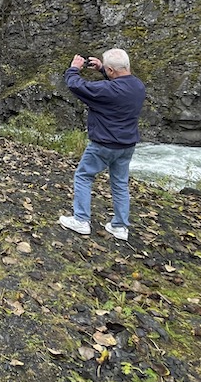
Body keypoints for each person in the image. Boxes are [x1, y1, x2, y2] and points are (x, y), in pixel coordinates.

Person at [58, 48, 146, 241]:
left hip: (104, 144)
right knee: (120, 184)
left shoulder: (107, 90)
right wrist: (102, 69)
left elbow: (76, 85)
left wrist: (74, 68)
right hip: (127, 145)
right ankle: (120, 226)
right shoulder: (138, 86)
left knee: (83, 176)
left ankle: (81, 220)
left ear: (112, 71)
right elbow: (120, 81)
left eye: (107, 70)